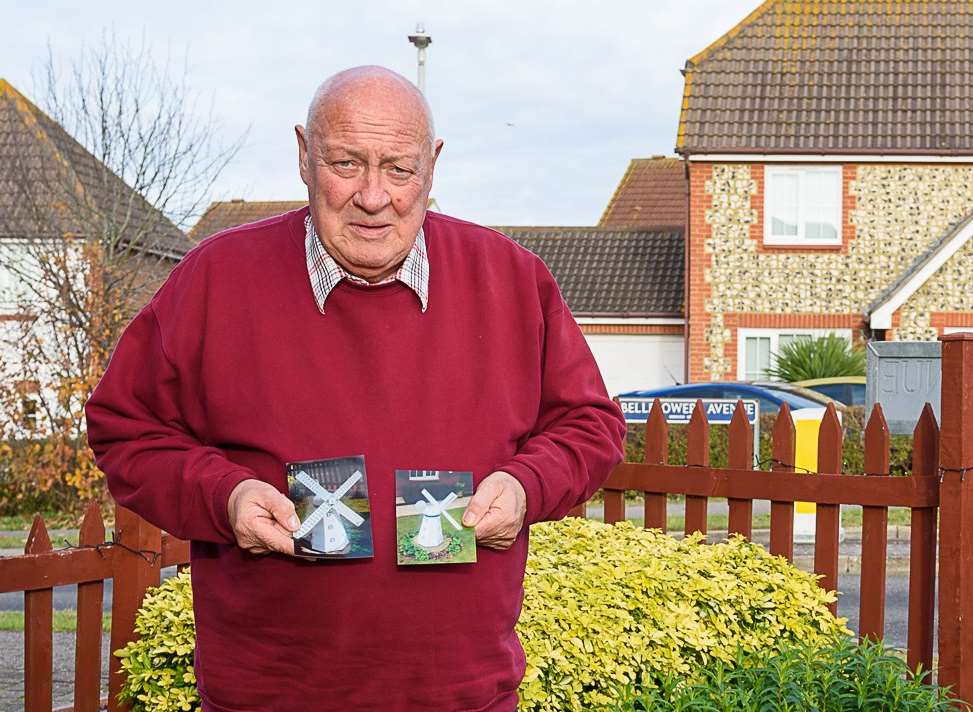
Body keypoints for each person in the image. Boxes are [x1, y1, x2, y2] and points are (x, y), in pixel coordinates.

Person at [86, 66, 626, 711]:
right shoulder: (216, 278)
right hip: (267, 695)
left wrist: (527, 484)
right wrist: (224, 498)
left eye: (400, 169)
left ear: (433, 165)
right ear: (304, 157)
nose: (374, 197)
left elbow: (590, 424)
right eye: (346, 163)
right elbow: (127, 428)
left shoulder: (512, 280)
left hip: (461, 694)